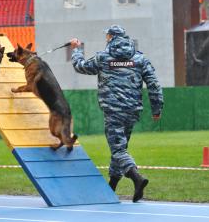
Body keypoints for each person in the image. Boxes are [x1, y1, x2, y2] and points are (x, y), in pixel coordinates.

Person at [69, 24, 164, 203]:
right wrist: (157, 108)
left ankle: (137, 178)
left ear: (111, 37)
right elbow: (154, 84)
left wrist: (77, 49)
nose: (106, 38)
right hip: (132, 110)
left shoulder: (103, 58)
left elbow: (80, 66)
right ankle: (111, 187)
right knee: (120, 148)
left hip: (113, 110)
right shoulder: (140, 58)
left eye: (107, 36)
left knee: (118, 149)